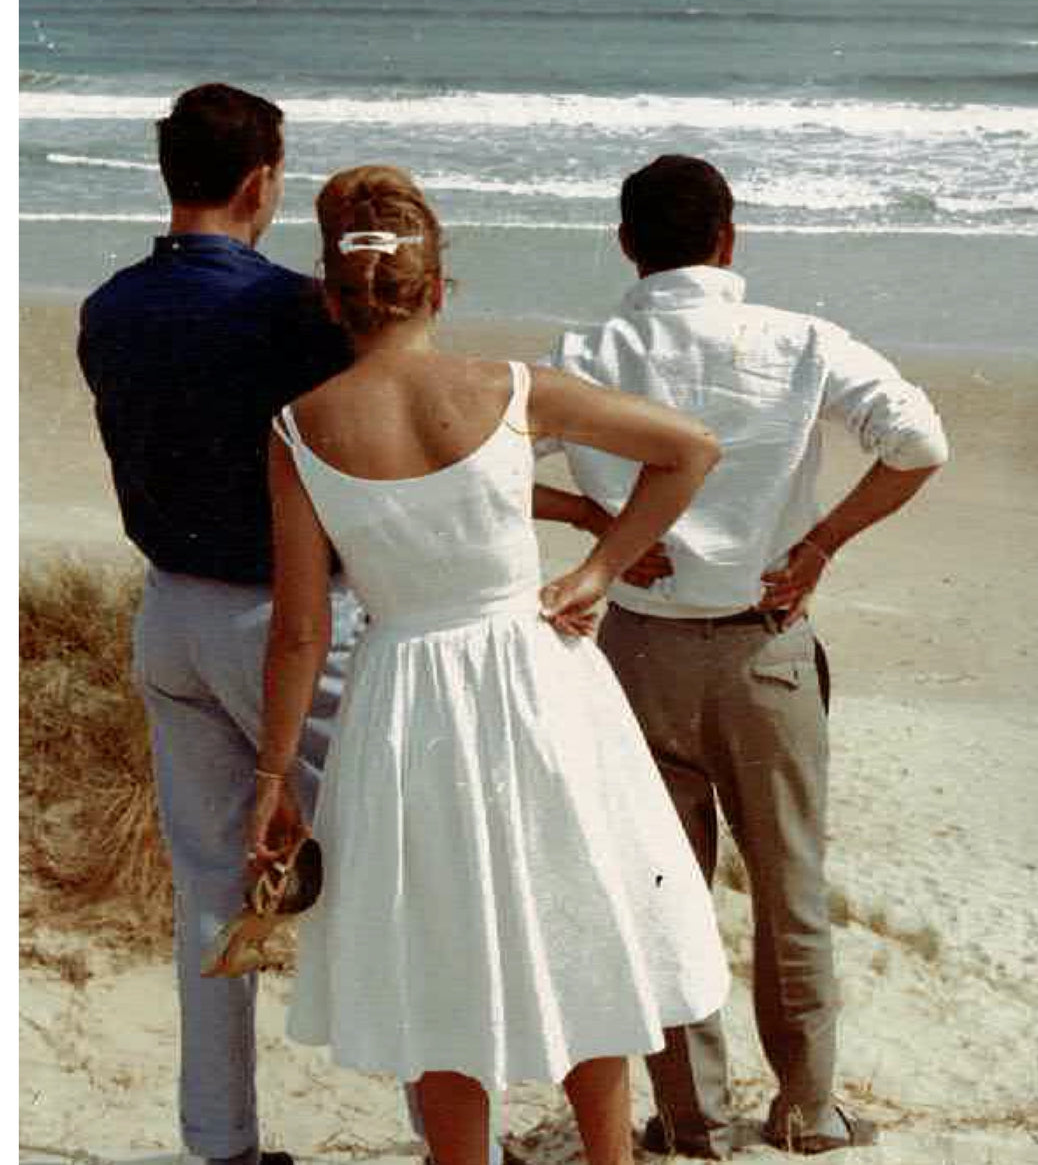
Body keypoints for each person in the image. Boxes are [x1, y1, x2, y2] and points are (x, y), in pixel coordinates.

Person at [248, 164, 732, 1165]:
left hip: (402, 696)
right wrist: (599, 566)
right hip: (533, 677)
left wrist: (273, 775)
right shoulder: (509, 387)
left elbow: (298, 629)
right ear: (435, 288)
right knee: (581, 930)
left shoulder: (299, 428)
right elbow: (688, 446)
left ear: (336, 300)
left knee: (438, 965)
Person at [544, 154, 949, 1159]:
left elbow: (488, 457)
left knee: (659, 889)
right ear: (729, 238)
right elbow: (917, 441)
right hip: (762, 650)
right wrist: (818, 544)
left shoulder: (588, 350)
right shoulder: (797, 339)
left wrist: (599, 519)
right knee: (789, 888)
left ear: (627, 243)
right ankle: (808, 1112)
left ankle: (691, 1117)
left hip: (637, 646)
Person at [77, 83, 359, 1165]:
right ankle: (446, 1135)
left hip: (170, 614)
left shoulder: (109, 306)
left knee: (206, 889)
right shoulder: (291, 311)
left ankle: (222, 1143)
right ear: (262, 181)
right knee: (381, 864)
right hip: (285, 618)